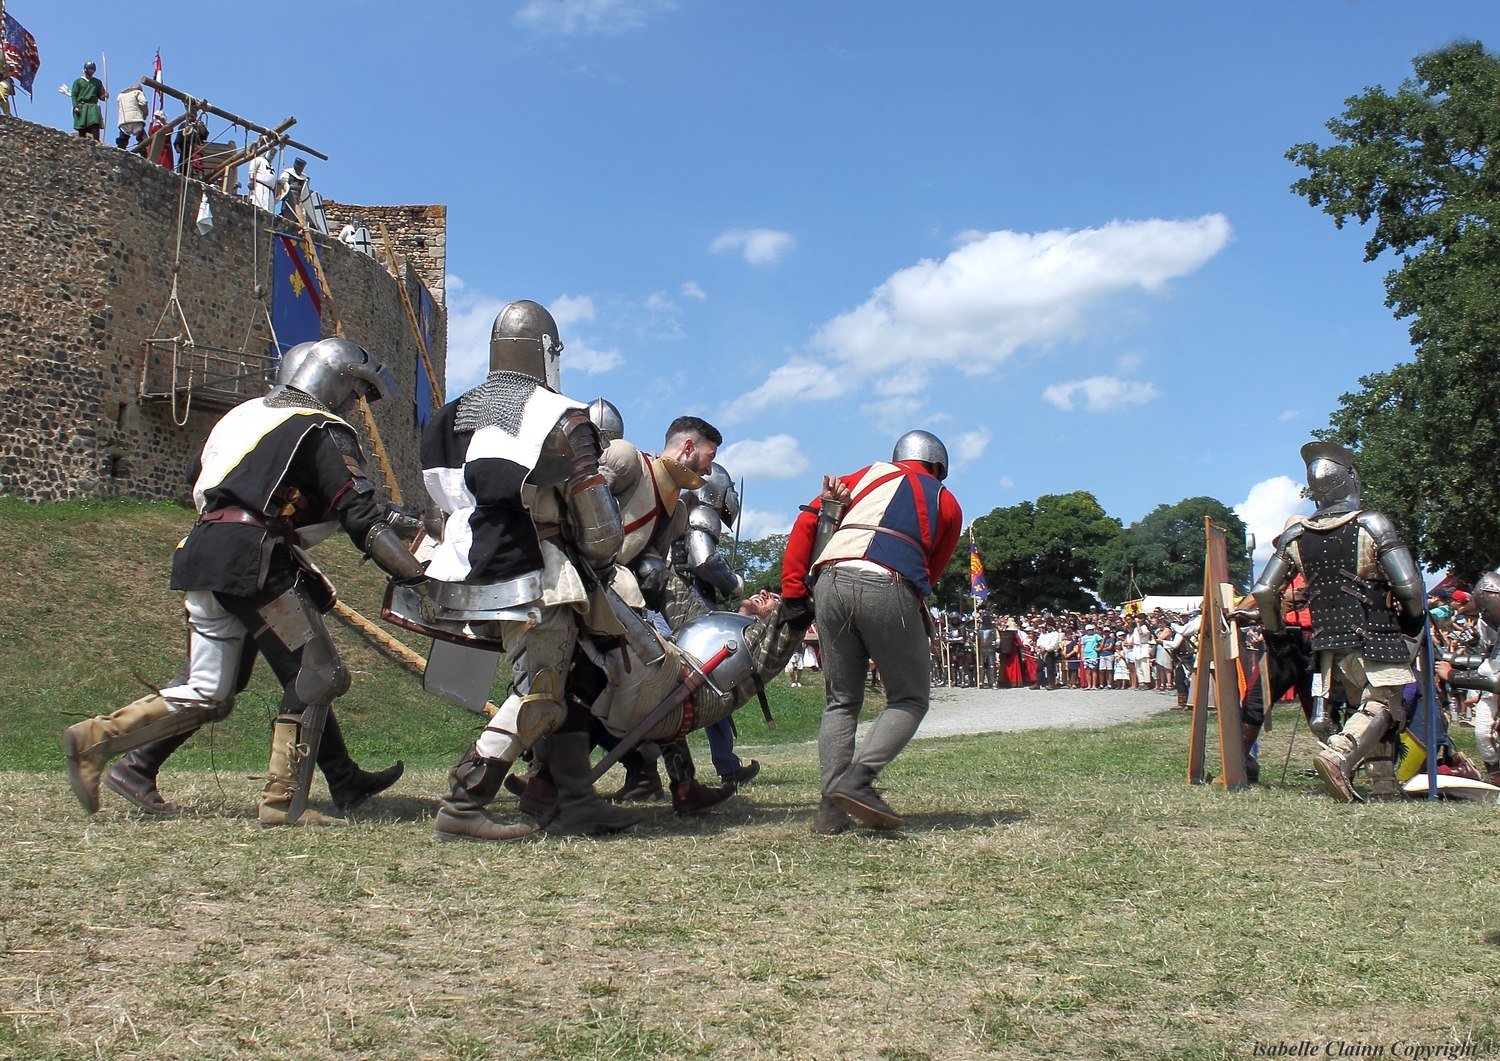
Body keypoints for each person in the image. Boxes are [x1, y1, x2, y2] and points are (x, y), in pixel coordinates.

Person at [64, 338, 422, 825]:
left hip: (205, 550)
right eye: (356, 391)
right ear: (336, 380)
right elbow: (358, 514)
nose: (355, 404)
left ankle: (100, 743)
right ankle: (284, 804)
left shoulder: (241, 417)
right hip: (255, 561)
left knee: (212, 687)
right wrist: (416, 576)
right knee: (318, 673)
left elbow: (202, 477)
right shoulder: (321, 428)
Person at [423, 299, 642, 841]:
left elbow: (442, 502)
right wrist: (599, 561)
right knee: (541, 692)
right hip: (534, 568)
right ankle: (464, 800)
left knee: (572, 680)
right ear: (547, 351)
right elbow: (602, 532)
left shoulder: (449, 417)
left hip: (464, 563)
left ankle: (577, 802)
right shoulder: (564, 418)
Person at [783, 429, 962, 833]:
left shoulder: (863, 475)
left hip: (829, 579)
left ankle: (830, 811)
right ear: (938, 466)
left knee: (841, 701)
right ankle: (857, 781)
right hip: (891, 582)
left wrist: (793, 589)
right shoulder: (946, 500)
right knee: (910, 698)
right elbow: (931, 571)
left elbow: (810, 519)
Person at [1250, 442, 1424, 802]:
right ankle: (1338, 755)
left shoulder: (1296, 535)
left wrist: (1277, 635)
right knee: (1384, 704)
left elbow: (1265, 592)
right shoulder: (1372, 523)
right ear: (1351, 478)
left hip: (1327, 643)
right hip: (1375, 633)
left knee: (1368, 708)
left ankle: (1384, 785)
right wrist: (1413, 619)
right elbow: (1409, 586)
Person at [1435, 572, 1500, 786]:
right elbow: (1490, 659)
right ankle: (1496, 779)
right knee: (1483, 731)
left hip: (1495, 687)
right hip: (1493, 689)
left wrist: (1452, 675)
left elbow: (1496, 681)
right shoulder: (1491, 624)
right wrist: (1459, 653)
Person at [70, 61, 107, 141]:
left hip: (92, 107)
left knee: (95, 123)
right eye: (90, 69)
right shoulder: (78, 82)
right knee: (82, 128)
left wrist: (104, 96)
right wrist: (75, 106)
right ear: (85, 69)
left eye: (93, 69)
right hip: (81, 106)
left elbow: (101, 96)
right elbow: (74, 95)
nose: (91, 71)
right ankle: (82, 143)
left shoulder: (97, 82)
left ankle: (97, 143)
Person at [115, 78, 147, 149]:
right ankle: (145, 152)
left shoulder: (120, 95)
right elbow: (143, 103)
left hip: (123, 121)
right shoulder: (138, 92)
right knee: (142, 139)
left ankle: (120, 151)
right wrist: (145, 114)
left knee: (123, 138)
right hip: (136, 118)